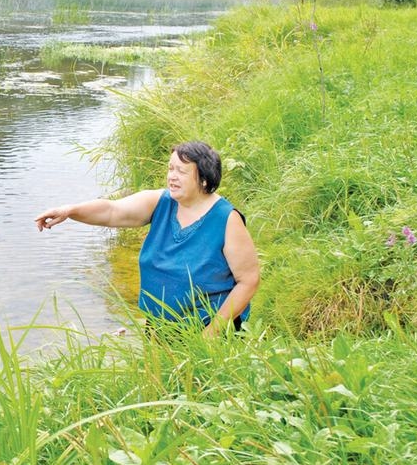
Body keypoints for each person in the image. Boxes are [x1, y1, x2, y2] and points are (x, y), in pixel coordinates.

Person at [35, 141, 259, 337]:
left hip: (208, 330)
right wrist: (70, 211)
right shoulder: (160, 202)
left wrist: (211, 333)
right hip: (159, 327)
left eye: (181, 171)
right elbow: (111, 211)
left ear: (203, 179)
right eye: (170, 168)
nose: (172, 176)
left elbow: (248, 280)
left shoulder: (226, 219)